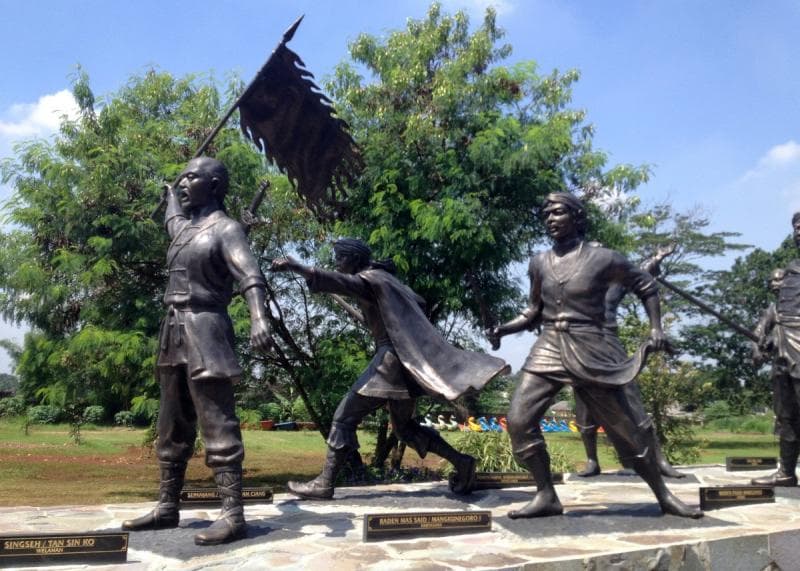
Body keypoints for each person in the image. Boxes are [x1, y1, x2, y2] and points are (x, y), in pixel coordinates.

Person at [488, 192, 702, 519]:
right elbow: (533, 311)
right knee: (518, 420)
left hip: (591, 346)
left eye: (558, 213)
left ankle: (664, 495)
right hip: (548, 346)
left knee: (626, 430)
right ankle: (546, 494)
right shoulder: (539, 262)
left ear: (577, 217)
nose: (551, 219)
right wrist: (503, 329)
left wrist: (656, 328)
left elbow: (646, 286)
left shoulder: (604, 259)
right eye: (546, 215)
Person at [270, 238, 509, 500]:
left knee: (343, 418)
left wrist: (298, 267)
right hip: (405, 361)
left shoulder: (370, 279)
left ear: (355, 258)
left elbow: (344, 283)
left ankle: (325, 483)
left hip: (391, 361)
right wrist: (377, 316)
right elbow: (416, 304)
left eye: (340, 258)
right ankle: (461, 462)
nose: (336, 263)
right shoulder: (389, 282)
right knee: (404, 429)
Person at [122, 157, 273, 545]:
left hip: (207, 329)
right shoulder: (184, 230)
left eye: (192, 176)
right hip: (172, 331)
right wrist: (169, 195)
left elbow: (250, 277)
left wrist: (259, 318)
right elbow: (172, 221)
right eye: (182, 177)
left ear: (216, 184)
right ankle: (167, 507)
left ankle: (233, 514)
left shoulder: (226, 230)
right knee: (172, 422)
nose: (184, 181)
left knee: (217, 421)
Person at [575, 243, 686, 479]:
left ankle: (659, 460)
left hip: (610, 343)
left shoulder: (616, 282)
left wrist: (657, 257)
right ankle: (592, 460)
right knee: (584, 406)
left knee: (633, 401)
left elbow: (641, 273)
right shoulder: (573, 283)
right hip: (581, 347)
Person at [751, 213, 800, 487]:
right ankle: (786, 472)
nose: (798, 231)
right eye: (795, 226)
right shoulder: (790, 271)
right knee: (786, 413)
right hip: (783, 346)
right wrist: (765, 339)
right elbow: (777, 313)